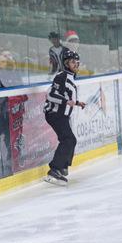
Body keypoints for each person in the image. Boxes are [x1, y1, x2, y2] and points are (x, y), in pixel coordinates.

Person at [43, 50, 84, 186]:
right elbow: (50, 94)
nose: (76, 64)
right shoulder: (62, 76)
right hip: (55, 114)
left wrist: (77, 103)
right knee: (68, 139)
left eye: (77, 62)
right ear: (66, 63)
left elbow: (67, 97)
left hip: (62, 115)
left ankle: (62, 167)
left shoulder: (70, 77)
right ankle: (55, 170)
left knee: (70, 140)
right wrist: (66, 102)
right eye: (73, 62)